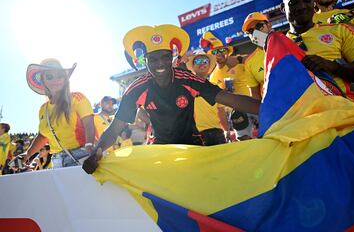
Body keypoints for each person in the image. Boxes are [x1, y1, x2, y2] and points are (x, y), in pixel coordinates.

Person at [83, 24, 260, 174]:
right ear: (145, 61)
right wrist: (96, 152)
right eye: (153, 59)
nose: (160, 64)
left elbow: (228, 98)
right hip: (161, 152)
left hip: (194, 148)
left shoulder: (187, 78)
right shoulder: (136, 88)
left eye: (165, 57)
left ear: (172, 57)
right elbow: (115, 129)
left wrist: (268, 109)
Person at [281, 0, 354, 103]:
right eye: (293, 2)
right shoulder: (277, 47)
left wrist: (334, 67)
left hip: (344, 113)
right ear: (283, 7)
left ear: (314, 2)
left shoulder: (340, 30)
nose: (301, 6)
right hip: (304, 117)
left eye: (307, 0)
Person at [22, 58, 96, 168]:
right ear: (43, 81)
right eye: (49, 77)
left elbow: (89, 124)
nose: (55, 80)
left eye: (60, 75)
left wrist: (89, 145)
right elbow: (43, 136)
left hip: (81, 155)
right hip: (56, 160)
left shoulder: (77, 98)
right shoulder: (43, 109)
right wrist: (27, 154)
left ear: (65, 79)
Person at [186, 51, 231, 145]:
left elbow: (221, 111)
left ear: (209, 66)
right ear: (193, 66)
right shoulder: (187, 87)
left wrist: (227, 130)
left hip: (217, 132)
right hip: (197, 134)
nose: (202, 63)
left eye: (205, 61)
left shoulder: (215, 87)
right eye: (198, 60)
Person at [242, 12, 273, 100]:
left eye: (258, 26)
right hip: (275, 110)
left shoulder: (287, 42)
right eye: (250, 31)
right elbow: (255, 95)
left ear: (269, 25)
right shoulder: (249, 62)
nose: (255, 33)